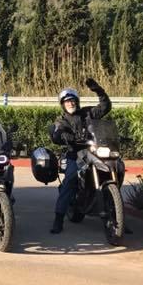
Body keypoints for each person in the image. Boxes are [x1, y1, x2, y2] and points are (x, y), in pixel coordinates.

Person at [48, 77, 112, 234]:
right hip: (74, 153)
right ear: (63, 104)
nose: (70, 103)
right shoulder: (62, 120)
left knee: (114, 168)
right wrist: (62, 136)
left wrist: (98, 90)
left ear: (77, 101)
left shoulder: (88, 113)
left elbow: (105, 107)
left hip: (92, 150)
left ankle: (117, 215)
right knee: (70, 179)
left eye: (72, 100)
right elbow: (57, 132)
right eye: (67, 101)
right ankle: (58, 219)